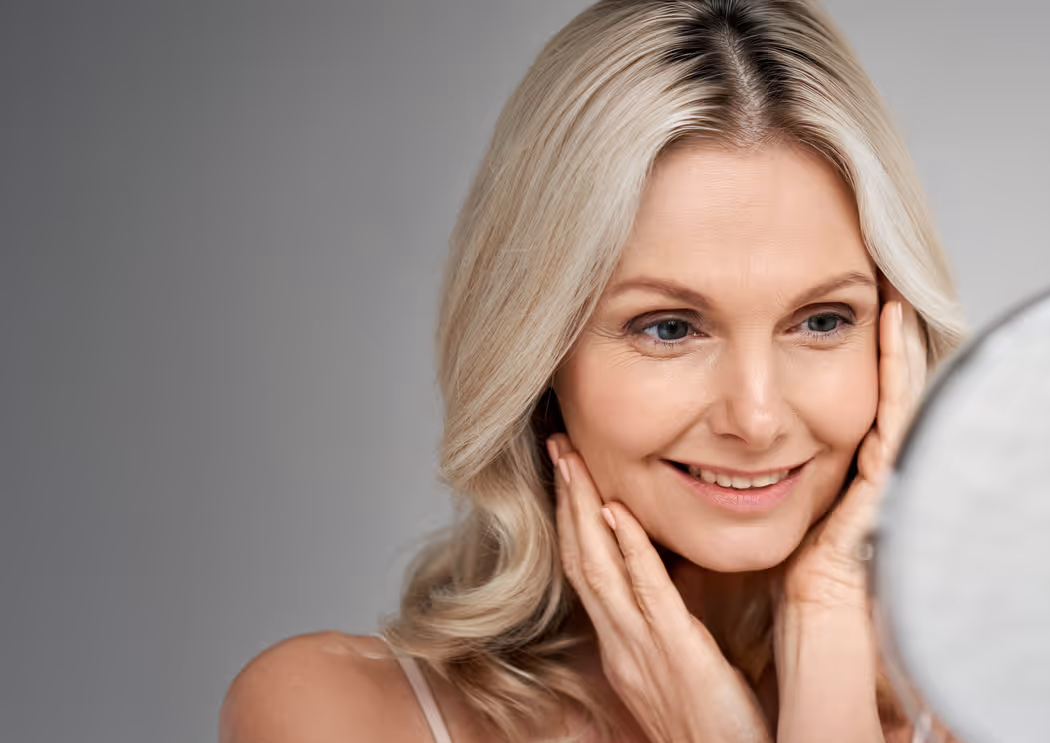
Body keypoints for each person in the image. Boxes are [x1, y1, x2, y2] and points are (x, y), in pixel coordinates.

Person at [219, 1, 967, 741]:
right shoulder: (337, 713)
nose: (757, 415)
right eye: (669, 328)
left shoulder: (1003, 708)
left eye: (820, 321)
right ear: (538, 347)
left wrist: (824, 621)